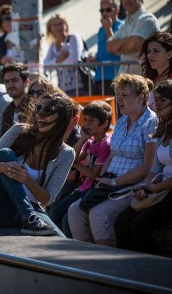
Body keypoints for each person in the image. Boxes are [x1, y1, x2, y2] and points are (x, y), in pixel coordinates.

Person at [0, 92, 76, 236]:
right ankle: (28, 216)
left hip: (33, 208)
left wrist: (27, 179)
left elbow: (47, 199)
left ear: (62, 118)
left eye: (48, 111)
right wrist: (4, 168)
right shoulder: (18, 131)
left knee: (60, 240)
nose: (40, 115)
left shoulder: (66, 153)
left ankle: (28, 217)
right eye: (38, 108)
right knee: (5, 154)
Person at [68, 74, 157, 247]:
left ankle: (106, 266)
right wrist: (102, 179)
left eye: (125, 95)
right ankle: (86, 261)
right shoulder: (123, 120)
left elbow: (147, 166)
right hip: (109, 182)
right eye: (118, 95)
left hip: (130, 186)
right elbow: (111, 155)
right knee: (75, 211)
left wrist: (114, 182)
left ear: (140, 97)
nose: (119, 100)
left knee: (98, 214)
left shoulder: (150, 123)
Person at [114, 80, 172, 254]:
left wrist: (155, 187)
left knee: (140, 225)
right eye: (157, 99)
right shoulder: (163, 128)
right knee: (122, 221)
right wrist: (145, 187)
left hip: (168, 189)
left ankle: (149, 273)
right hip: (161, 187)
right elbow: (155, 167)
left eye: (164, 99)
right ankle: (128, 272)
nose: (158, 104)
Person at [49, 100, 112, 237]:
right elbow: (72, 157)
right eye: (86, 120)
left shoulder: (105, 144)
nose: (86, 124)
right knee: (55, 213)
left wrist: (77, 165)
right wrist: (83, 139)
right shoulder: (90, 141)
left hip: (92, 189)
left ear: (104, 124)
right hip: (82, 188)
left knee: (65, 219)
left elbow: (94, 175)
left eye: (91, 121)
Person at [107, 0, 160, 75]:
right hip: (125, 81)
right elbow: (110, 46)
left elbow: (133, 45)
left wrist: (119, 47)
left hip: (143, 81)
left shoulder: (147, 19)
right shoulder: (125, 23)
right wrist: (128, 41)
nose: (127, 1)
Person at [43, 14, 84, 96]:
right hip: (62, 89)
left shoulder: (73, 37)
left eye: (60, 24)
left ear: (66, 25)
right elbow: (45, 66)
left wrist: (56, 63)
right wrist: (59, 59)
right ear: (50, 28)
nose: (58, 27)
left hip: (80, 86)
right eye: (54, 25)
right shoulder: (53, 46)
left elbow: (73, 59)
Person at [94, 0, 123, 95]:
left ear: (117, 10)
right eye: (102, 10)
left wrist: (108, 29)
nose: (105, 13)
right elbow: (102, 51)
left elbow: (117, 49)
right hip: (99, 76)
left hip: (115, 77)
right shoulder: (101, 29)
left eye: (108, 10)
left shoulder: (123, 26)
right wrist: (94, 58)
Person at [139, 31, 172, 111]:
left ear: (169, 54)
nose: (150, 55)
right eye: (148, 51)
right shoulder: (148, 80)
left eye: (156, 51)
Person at [0, 63, 30, 136]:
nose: (10, 85)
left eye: (14, 80)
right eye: (7, 81)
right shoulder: (7, 112)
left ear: (26, 82)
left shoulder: (34, 108)